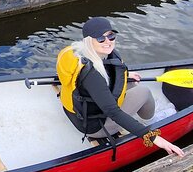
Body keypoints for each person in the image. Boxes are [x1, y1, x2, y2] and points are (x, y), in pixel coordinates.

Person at [57, 17, 185, 157]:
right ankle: (150, 120)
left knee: (131, 83)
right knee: (144, 92)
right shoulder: (91, 75)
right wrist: (154, 138)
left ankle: (142, 111)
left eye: (111, 36)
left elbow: (106, 70)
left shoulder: (80, 53)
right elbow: (113, 112)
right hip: (95, 126)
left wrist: (126, 74)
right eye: (100, 38)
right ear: (89, 41)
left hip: (78, 113)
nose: (108, 42)